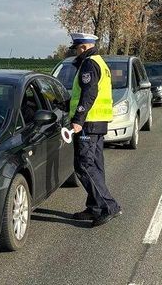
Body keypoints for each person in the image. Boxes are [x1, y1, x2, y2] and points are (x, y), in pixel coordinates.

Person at [68, 33, 122, 227]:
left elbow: (89, 93)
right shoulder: (100, 62)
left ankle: (109, 206)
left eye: (76, 49)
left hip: (88, 123)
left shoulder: (89, 64)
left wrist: (78, 120)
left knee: (84, 165)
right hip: (98, 122)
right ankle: (94, 207)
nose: (75, 53)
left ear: (82, 47)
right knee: (95, 165)